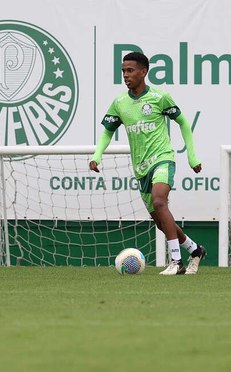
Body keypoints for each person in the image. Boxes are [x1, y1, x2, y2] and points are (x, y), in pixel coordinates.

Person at [89, 51, 206, 275]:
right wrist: (97, 156)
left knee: (160, 201)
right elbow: (107, 132)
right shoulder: (120, 103)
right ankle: (194, 250)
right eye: (123, 70)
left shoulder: (160, 97)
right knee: (161, 221)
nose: (125, 75)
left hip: (163, 158)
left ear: (144, 72)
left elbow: (182, 122)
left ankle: (175, 262)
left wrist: (192, 156)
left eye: (130, 70)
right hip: (141, 168)